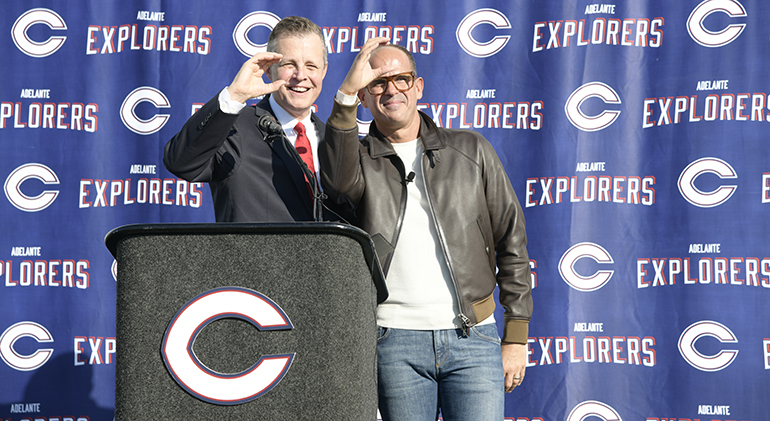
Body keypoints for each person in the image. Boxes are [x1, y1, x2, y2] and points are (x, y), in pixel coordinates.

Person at [319, 38, 533, 420]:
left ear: (418, 87)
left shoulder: (472, 150)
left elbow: (511, 240)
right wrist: (346, 93)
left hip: (473, 337)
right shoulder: (360, 159)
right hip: (393, 341)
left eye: (400, 79)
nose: (390, 90)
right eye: (377, 83)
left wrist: (516, 334)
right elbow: (335, 183)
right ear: (365, 98)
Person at [164, 16, 331, 222]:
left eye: (311, 66)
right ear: (269, 69)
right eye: (289, 64)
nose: (300, 75)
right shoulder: (233, 128)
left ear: (324, 70)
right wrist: (235, 95)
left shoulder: (334, 141)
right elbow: (181, 162)